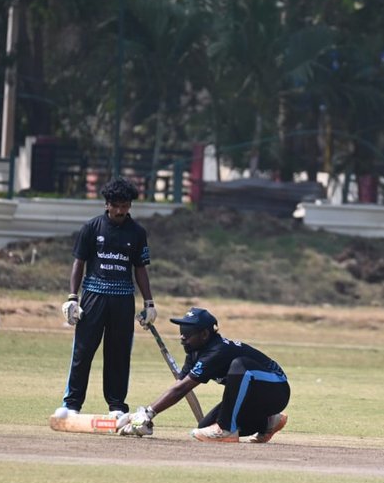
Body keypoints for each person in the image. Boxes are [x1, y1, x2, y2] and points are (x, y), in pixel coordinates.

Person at [54, 177, 157, 419]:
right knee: (83, 351)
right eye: (117, 205)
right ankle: (71, 405)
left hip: (122, 300)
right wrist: (72, 297)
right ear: (107, 204)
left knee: (118, 354)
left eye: (126, 205)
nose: (121, 211)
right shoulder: (91, 228)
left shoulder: (137, 232)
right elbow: (78, 263)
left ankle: (117, 406)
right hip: (93, 297)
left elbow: (140, 268)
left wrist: (149, 303)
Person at [117, 307, 290, 443]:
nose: (182, 338)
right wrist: (141, 419)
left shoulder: (217, 350)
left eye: (187, 334)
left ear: (205, 334)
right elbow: (180, 387)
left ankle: (226, 431)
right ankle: (268, 422)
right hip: (254, 398)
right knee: (205, 427)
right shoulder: (194, 353)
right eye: (181, 334)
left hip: (276, 389)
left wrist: (148, 412)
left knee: (240, 366)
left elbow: (182, 388)